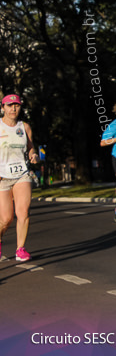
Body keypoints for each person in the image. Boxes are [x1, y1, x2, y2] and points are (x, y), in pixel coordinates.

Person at [0, 94, 38, 261]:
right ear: (3, 108)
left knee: (23, 212)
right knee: (6, 218)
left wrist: (34, 155)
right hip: (2, 176)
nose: (13, 108)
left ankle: (20, 249)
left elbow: (30, 147)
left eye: (16, 105)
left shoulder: (25, 127)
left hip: (21, 174)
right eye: (9, 105)